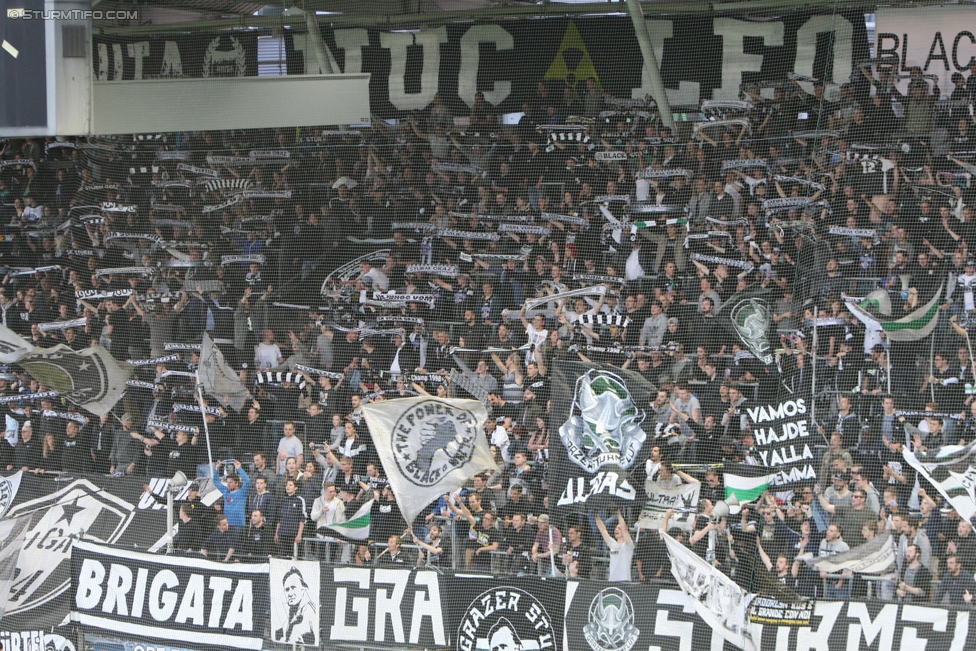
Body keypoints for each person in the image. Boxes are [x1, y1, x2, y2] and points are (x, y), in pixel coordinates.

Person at [274, 566, 318, 644]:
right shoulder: (290, 612)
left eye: (293, 588)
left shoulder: (310, 611)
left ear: (303, 588)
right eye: (287, 590)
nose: (290, 593)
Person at [596, 510, 634, 582]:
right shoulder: (613, 544)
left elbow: (624, 529)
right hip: (612, 580)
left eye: (619, 528)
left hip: (624, 580)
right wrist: (596, 516)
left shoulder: (628, 545)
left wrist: (618, 513)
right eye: (616, 528)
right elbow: (603, 530)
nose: (616, 529)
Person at [213, 460, 250, 528]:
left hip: (239, 525)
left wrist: (239, 468)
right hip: (226, 525)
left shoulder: (242, 492)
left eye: (231, 482)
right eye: (227, 482)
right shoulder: (226, 491)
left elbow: (247, 481)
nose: (228, 485)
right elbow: (216, 482)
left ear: (237, 483)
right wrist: (217, 469)